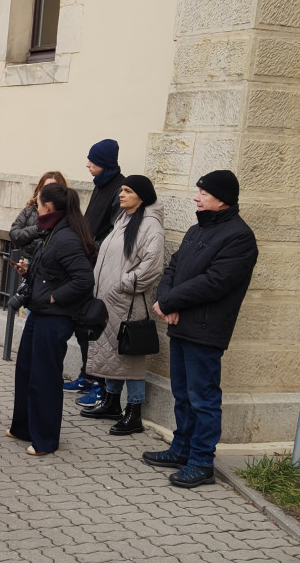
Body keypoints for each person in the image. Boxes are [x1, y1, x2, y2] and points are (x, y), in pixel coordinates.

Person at [144, 170, 258, 488]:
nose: (196, 197)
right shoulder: (197, 229)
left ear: (221, 198)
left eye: (203, 193)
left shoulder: (240, 237)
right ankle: (181, 449)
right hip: (181, 325)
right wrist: (165, 299)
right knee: (182, 395)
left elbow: (215, 282)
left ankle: (201, 462)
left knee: (203, 398)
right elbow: (174, 266)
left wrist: (170, 303)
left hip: (206, 331)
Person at [7, 183, 95, 456]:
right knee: (25, 371)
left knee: (44, 378)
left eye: (39, 204)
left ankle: (45, 440)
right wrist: (28, 271)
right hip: (41, 312)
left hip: (54, 317)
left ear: (47, 207)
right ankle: (23, 428)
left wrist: (55, 297)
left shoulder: (66, 237)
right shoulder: (53, 232)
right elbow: (51, 269)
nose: (36, 208)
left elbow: (84, 279)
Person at [79, 175, 165, 435]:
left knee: (131, 359)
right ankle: (111, 402)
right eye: (122, 190)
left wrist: (124, 284)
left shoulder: (150, 226)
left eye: (128, 190)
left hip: (127, 303)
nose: (122, 194)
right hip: (108, 302)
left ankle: (134, 412)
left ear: (142, 196)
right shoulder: (123, 219)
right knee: (112, 356)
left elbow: (152, 266)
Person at [69, 139, 126, 405]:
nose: (88, 164)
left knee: (95, 325)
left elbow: (116, 233)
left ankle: (99, 383)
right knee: (82, 324)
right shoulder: (101, 185)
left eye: (92, 160)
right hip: (86, 260)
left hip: (100, 266)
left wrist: (93, 248)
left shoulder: (118, 189)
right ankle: (87, 374)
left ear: (104, 162)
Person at [9, 171, 68, 265]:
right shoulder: (29, 211)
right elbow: (15, 234)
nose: (48, 192)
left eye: (52, 188)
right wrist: (38, 228)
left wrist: (27, 243)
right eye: (45, 188)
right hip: (29, 262)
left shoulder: (65, 215)